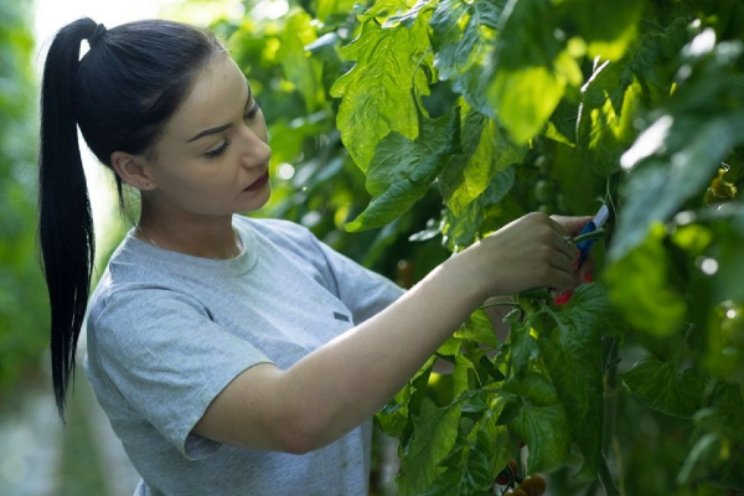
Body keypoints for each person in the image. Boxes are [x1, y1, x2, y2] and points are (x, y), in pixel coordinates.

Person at [38, 17, 589, 496]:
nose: (258, 149)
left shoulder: (288, 246)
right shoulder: (134, 312)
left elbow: (435, 341)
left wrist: (561, 264)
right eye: (215, 147)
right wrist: (477, 265)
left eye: (250, 113)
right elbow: (292, 417)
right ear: (137, 170)